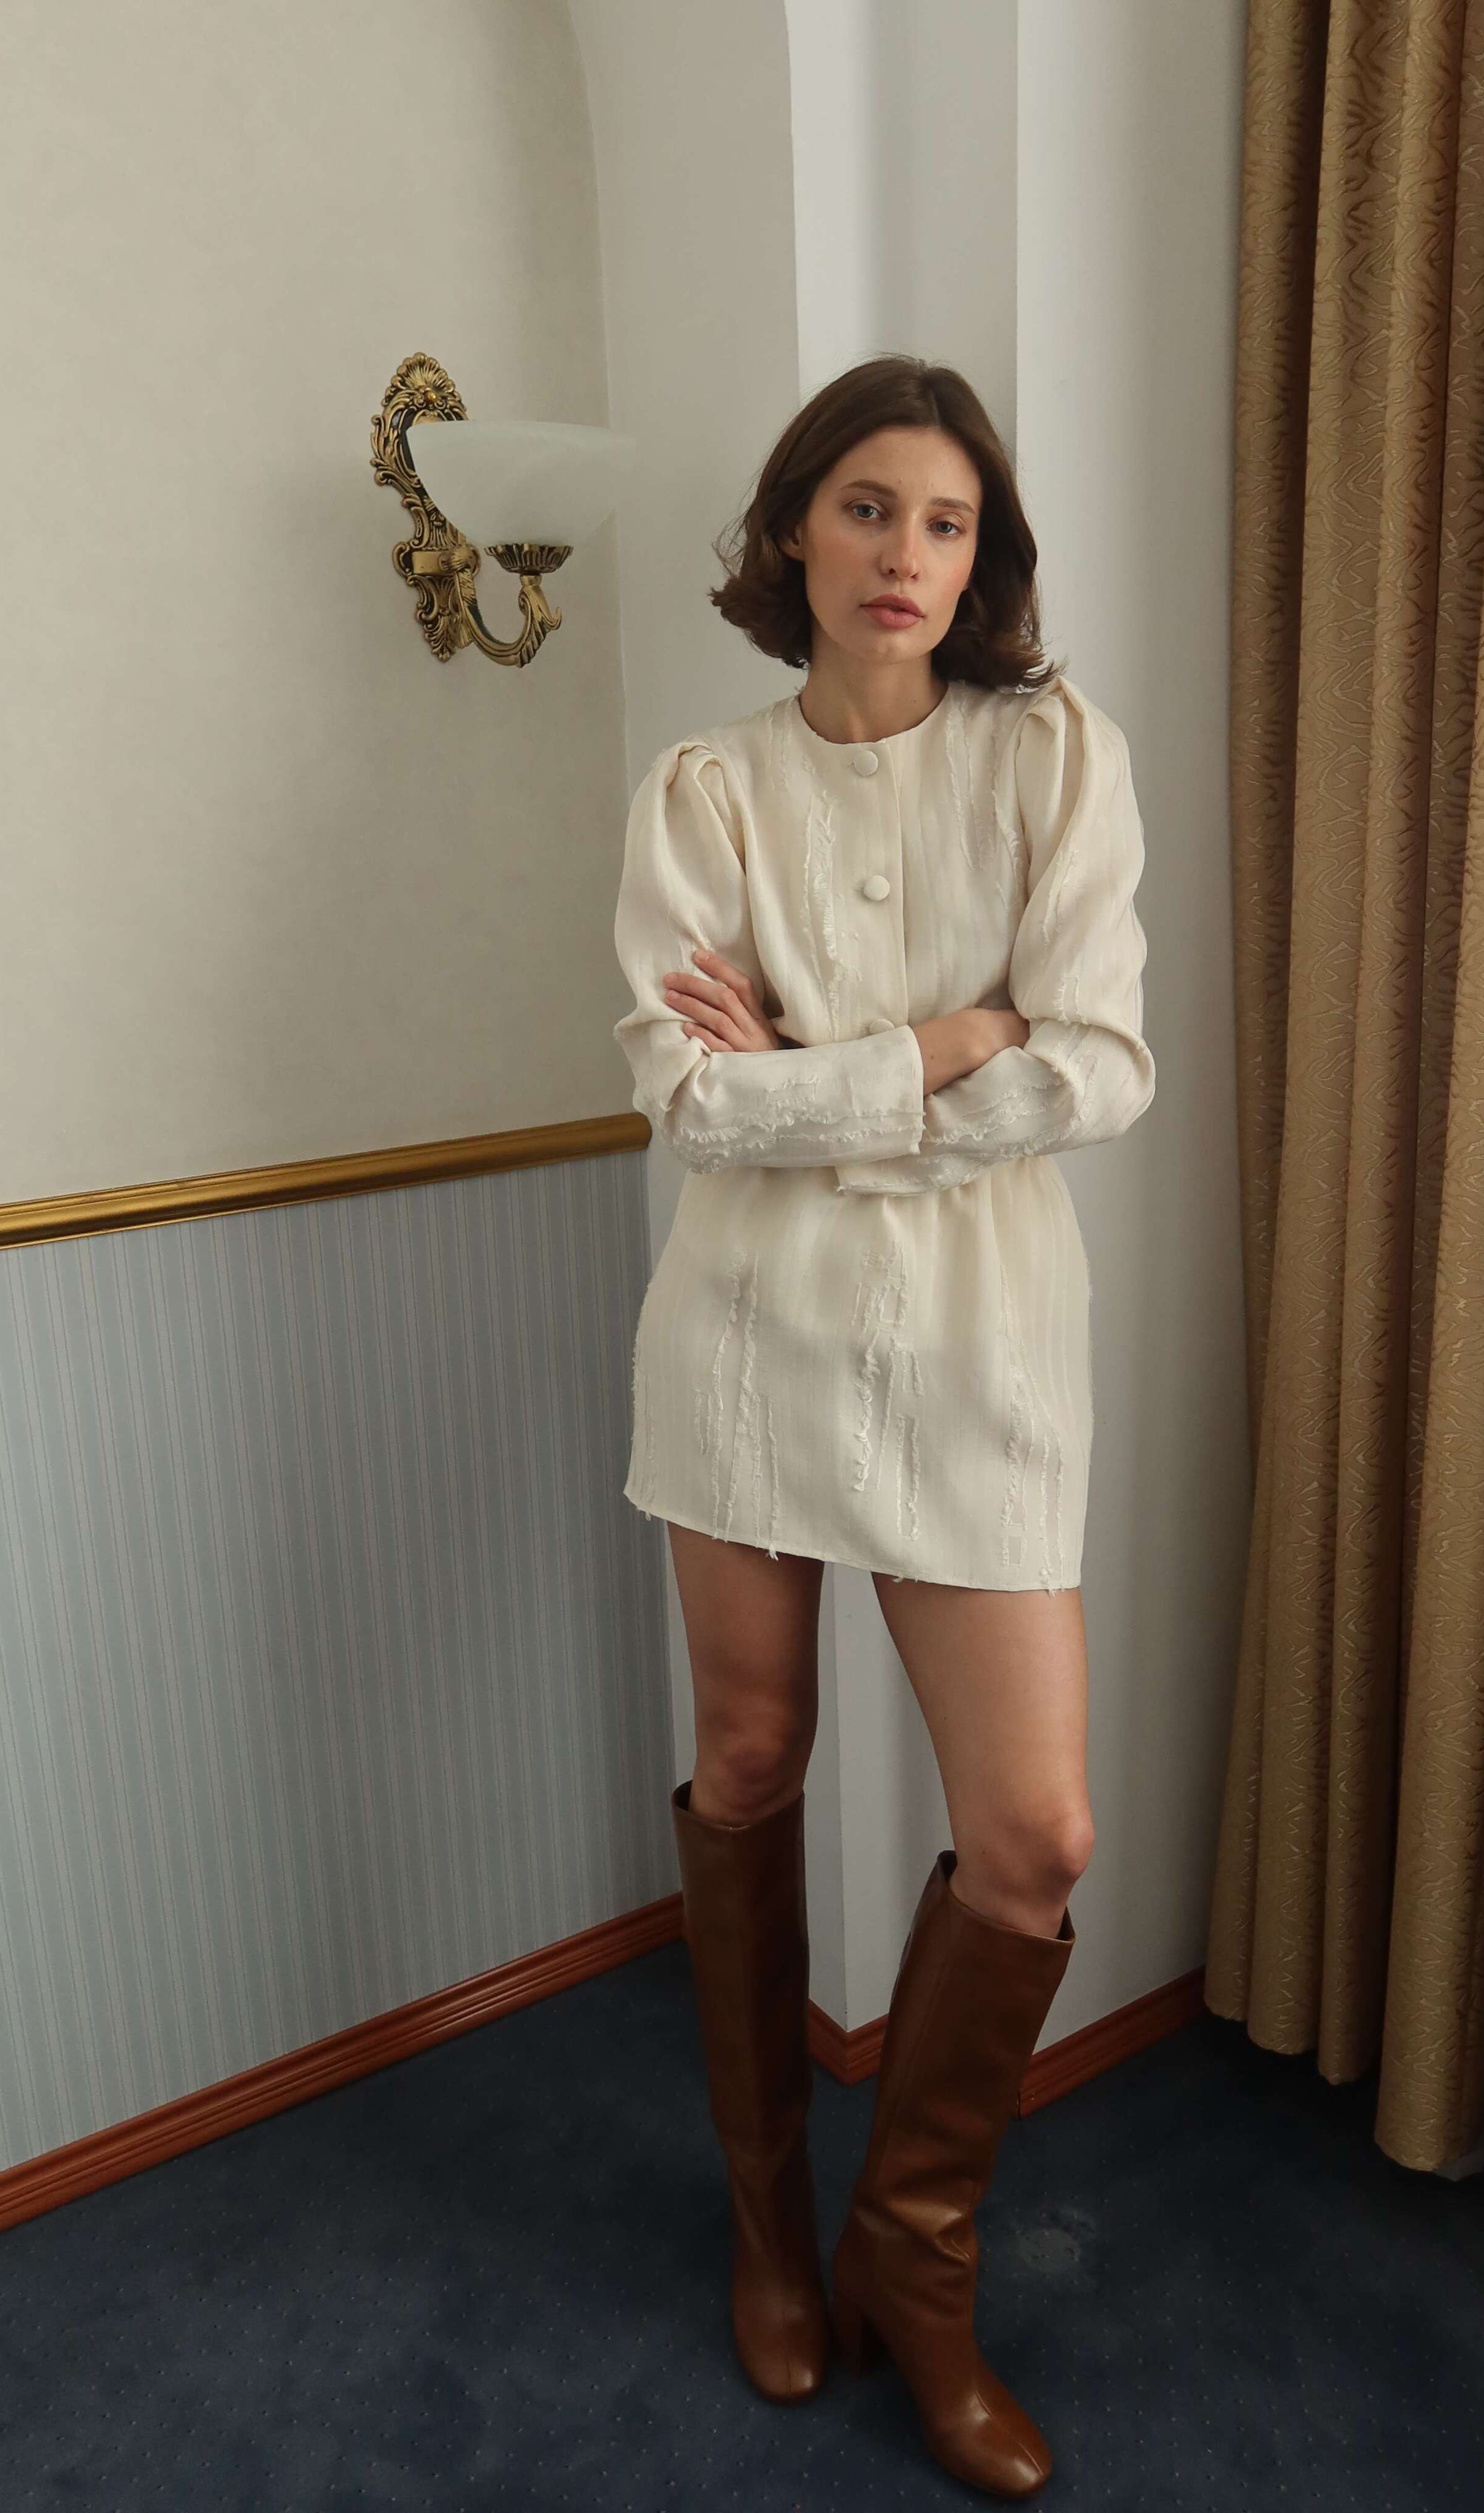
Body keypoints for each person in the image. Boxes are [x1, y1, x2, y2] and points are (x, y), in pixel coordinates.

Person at [609, 353, 1155, 2499]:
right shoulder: (701, 794)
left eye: (944, 521)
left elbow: (1102, 1065)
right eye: (864, 508)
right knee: (751, 1759)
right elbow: (685, 1103)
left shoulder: (1054, 757)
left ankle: (910, 2262)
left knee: (1038, 1837)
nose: (904, 554)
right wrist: (939, 1045)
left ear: (980, 553)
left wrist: (815, 1088)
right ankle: (769, 2225)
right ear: (792, 531)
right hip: (743, 1340)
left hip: (981, 1349)